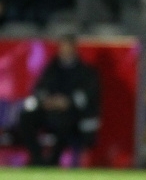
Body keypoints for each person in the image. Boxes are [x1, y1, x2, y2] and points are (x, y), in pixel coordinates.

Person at [17, 35, 100, 166]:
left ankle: (53, 160)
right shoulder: (52, 68)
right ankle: (37, 157)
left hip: (71, 114)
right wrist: (46, 100)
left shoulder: (85, 71)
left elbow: (87, 96)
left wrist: (67, 101)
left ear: (74, 49)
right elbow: (40, 88)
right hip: (48, 109)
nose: (65, 50)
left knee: (64, 122)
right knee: (26, 117)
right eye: (62, 47)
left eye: (68, 47)